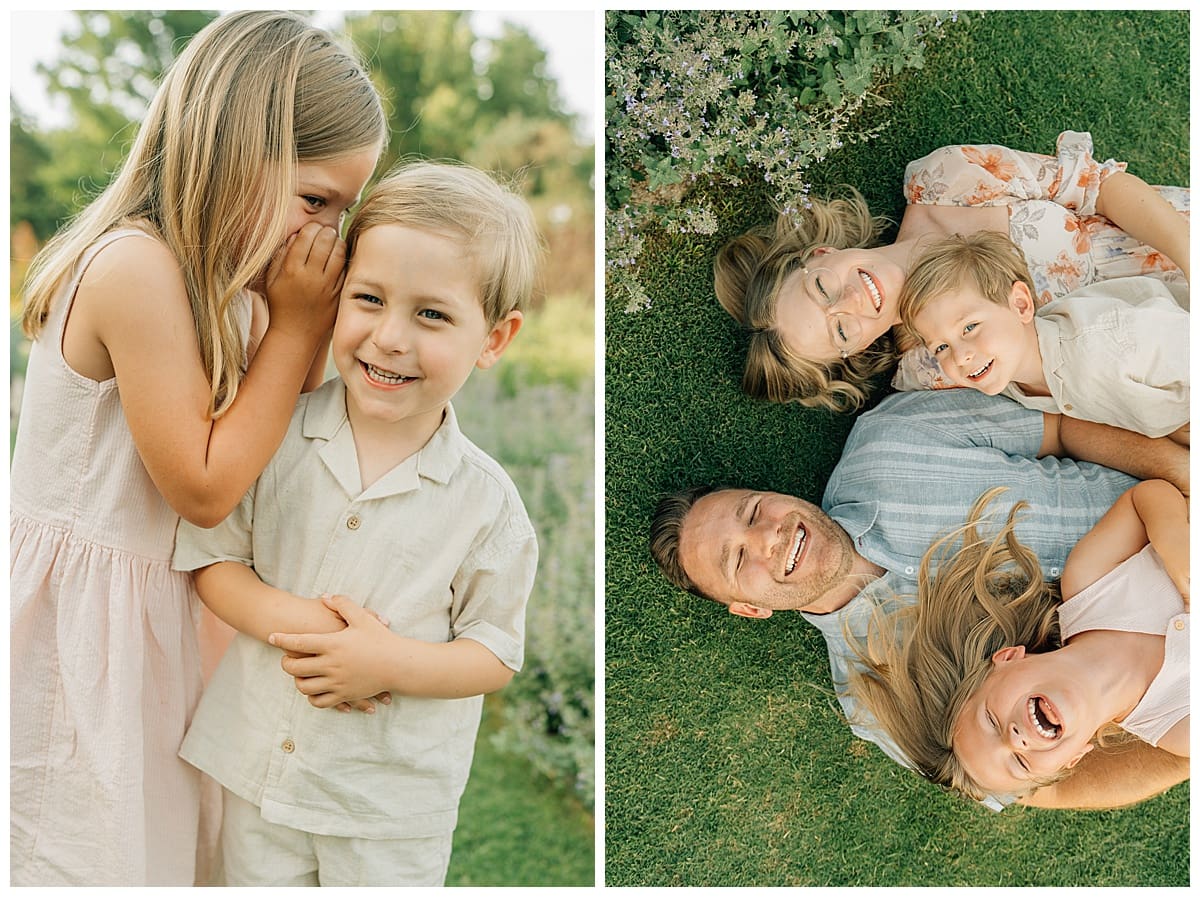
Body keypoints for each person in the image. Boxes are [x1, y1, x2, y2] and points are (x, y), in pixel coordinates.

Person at [10, 11, 385, 886]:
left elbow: (275, 445)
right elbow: (207, 487)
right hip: (84, 637)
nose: (322, 233)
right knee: (81, 851)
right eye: (315, 200)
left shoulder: (235, 297)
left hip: (166, 628)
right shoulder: (134, 271)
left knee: (162, 853)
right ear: (232, 149)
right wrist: (295, 327)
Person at [171, 161, 541, 886]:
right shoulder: (275, 432)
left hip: (388, 809)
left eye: (431, 314)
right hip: (257, 777)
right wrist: (313, 625)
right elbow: (214, 562)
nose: (390, 337)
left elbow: (493, 653)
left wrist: (386, 662)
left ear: (495, 338)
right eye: (368, 299)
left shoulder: (486, 504)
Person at [649, 387, 1190, 809]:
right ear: (750, 608)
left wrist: (1185, 474)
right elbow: (1034, 784)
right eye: (738, 562)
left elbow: (1064, 429)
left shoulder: (890, 438)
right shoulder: (874, 696)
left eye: (752, 510)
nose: (767, 537)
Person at [714, 130, 1190, 411]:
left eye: (822, 288)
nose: (850, 302)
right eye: (840, 330)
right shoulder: (931, 370)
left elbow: (1100, 187)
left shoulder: (947, 182)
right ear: (854, 351)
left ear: (820, 254)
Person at [848, 479, 1188, 803]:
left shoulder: (1089, 580)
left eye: (991, 722)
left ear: (1009, 657)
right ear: (1072, 760)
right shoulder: (1179, 728)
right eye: (1020, 763)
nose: (1016, 739)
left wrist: (1174, 541)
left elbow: (1146, 499)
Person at [897, 230, 1189, 443]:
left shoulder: (1107, 344)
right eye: (941, 347)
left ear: (1021, 305)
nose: (961, 357)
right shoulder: (1012, 379)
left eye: (970, 327)